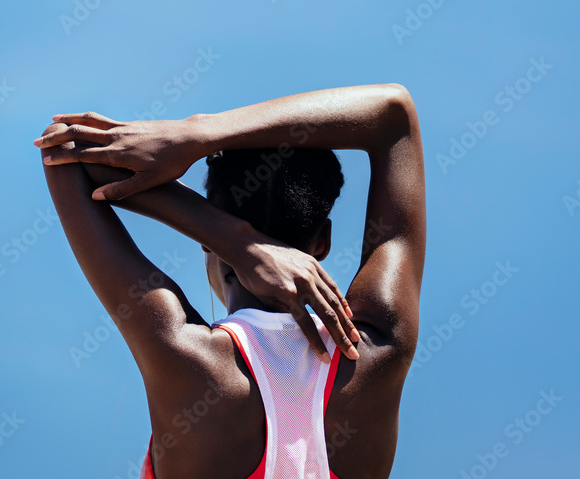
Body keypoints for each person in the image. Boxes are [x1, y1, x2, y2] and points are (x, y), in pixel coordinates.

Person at [35, 82, 425, 479]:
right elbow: (393, 114)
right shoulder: (379, 346)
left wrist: (237, 241)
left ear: (207, 242)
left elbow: (64, 152)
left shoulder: (186, 356)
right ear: (322, 240)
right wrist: (199, 134)